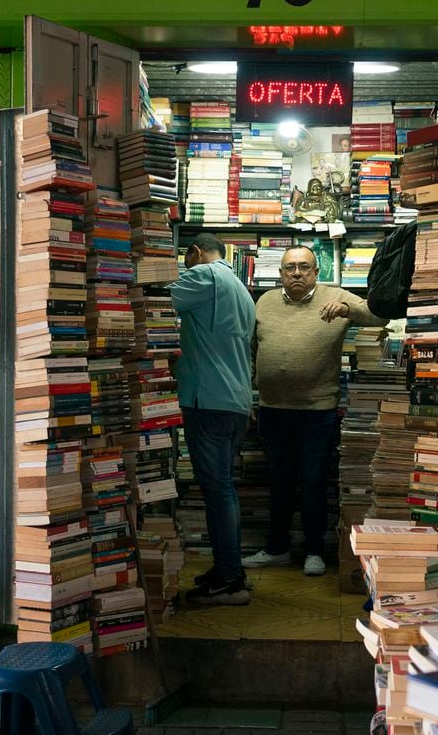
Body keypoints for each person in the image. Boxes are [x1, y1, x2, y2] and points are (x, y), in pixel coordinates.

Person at [242, 245, 387, 577]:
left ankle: (313, 551)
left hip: (317, 411)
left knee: (312, 482)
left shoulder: (333, 296)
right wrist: (249, 396)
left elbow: (381, 315)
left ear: (315, 272)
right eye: (289, 267)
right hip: (272, 409)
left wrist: (349, 307)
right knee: (278, 482)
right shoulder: (264, 301)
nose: (296, 273)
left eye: (304, 267)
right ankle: (276, 548)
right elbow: (251, 350)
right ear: (280, 273)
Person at [169, 233, 256, 605]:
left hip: (208, 400)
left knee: (218, 490)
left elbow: (154, 302)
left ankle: (229, 580)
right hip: (236, 400)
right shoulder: (240, 287)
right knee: (224, 488)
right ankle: (230, 568)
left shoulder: (202, 275)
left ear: (195, 253)